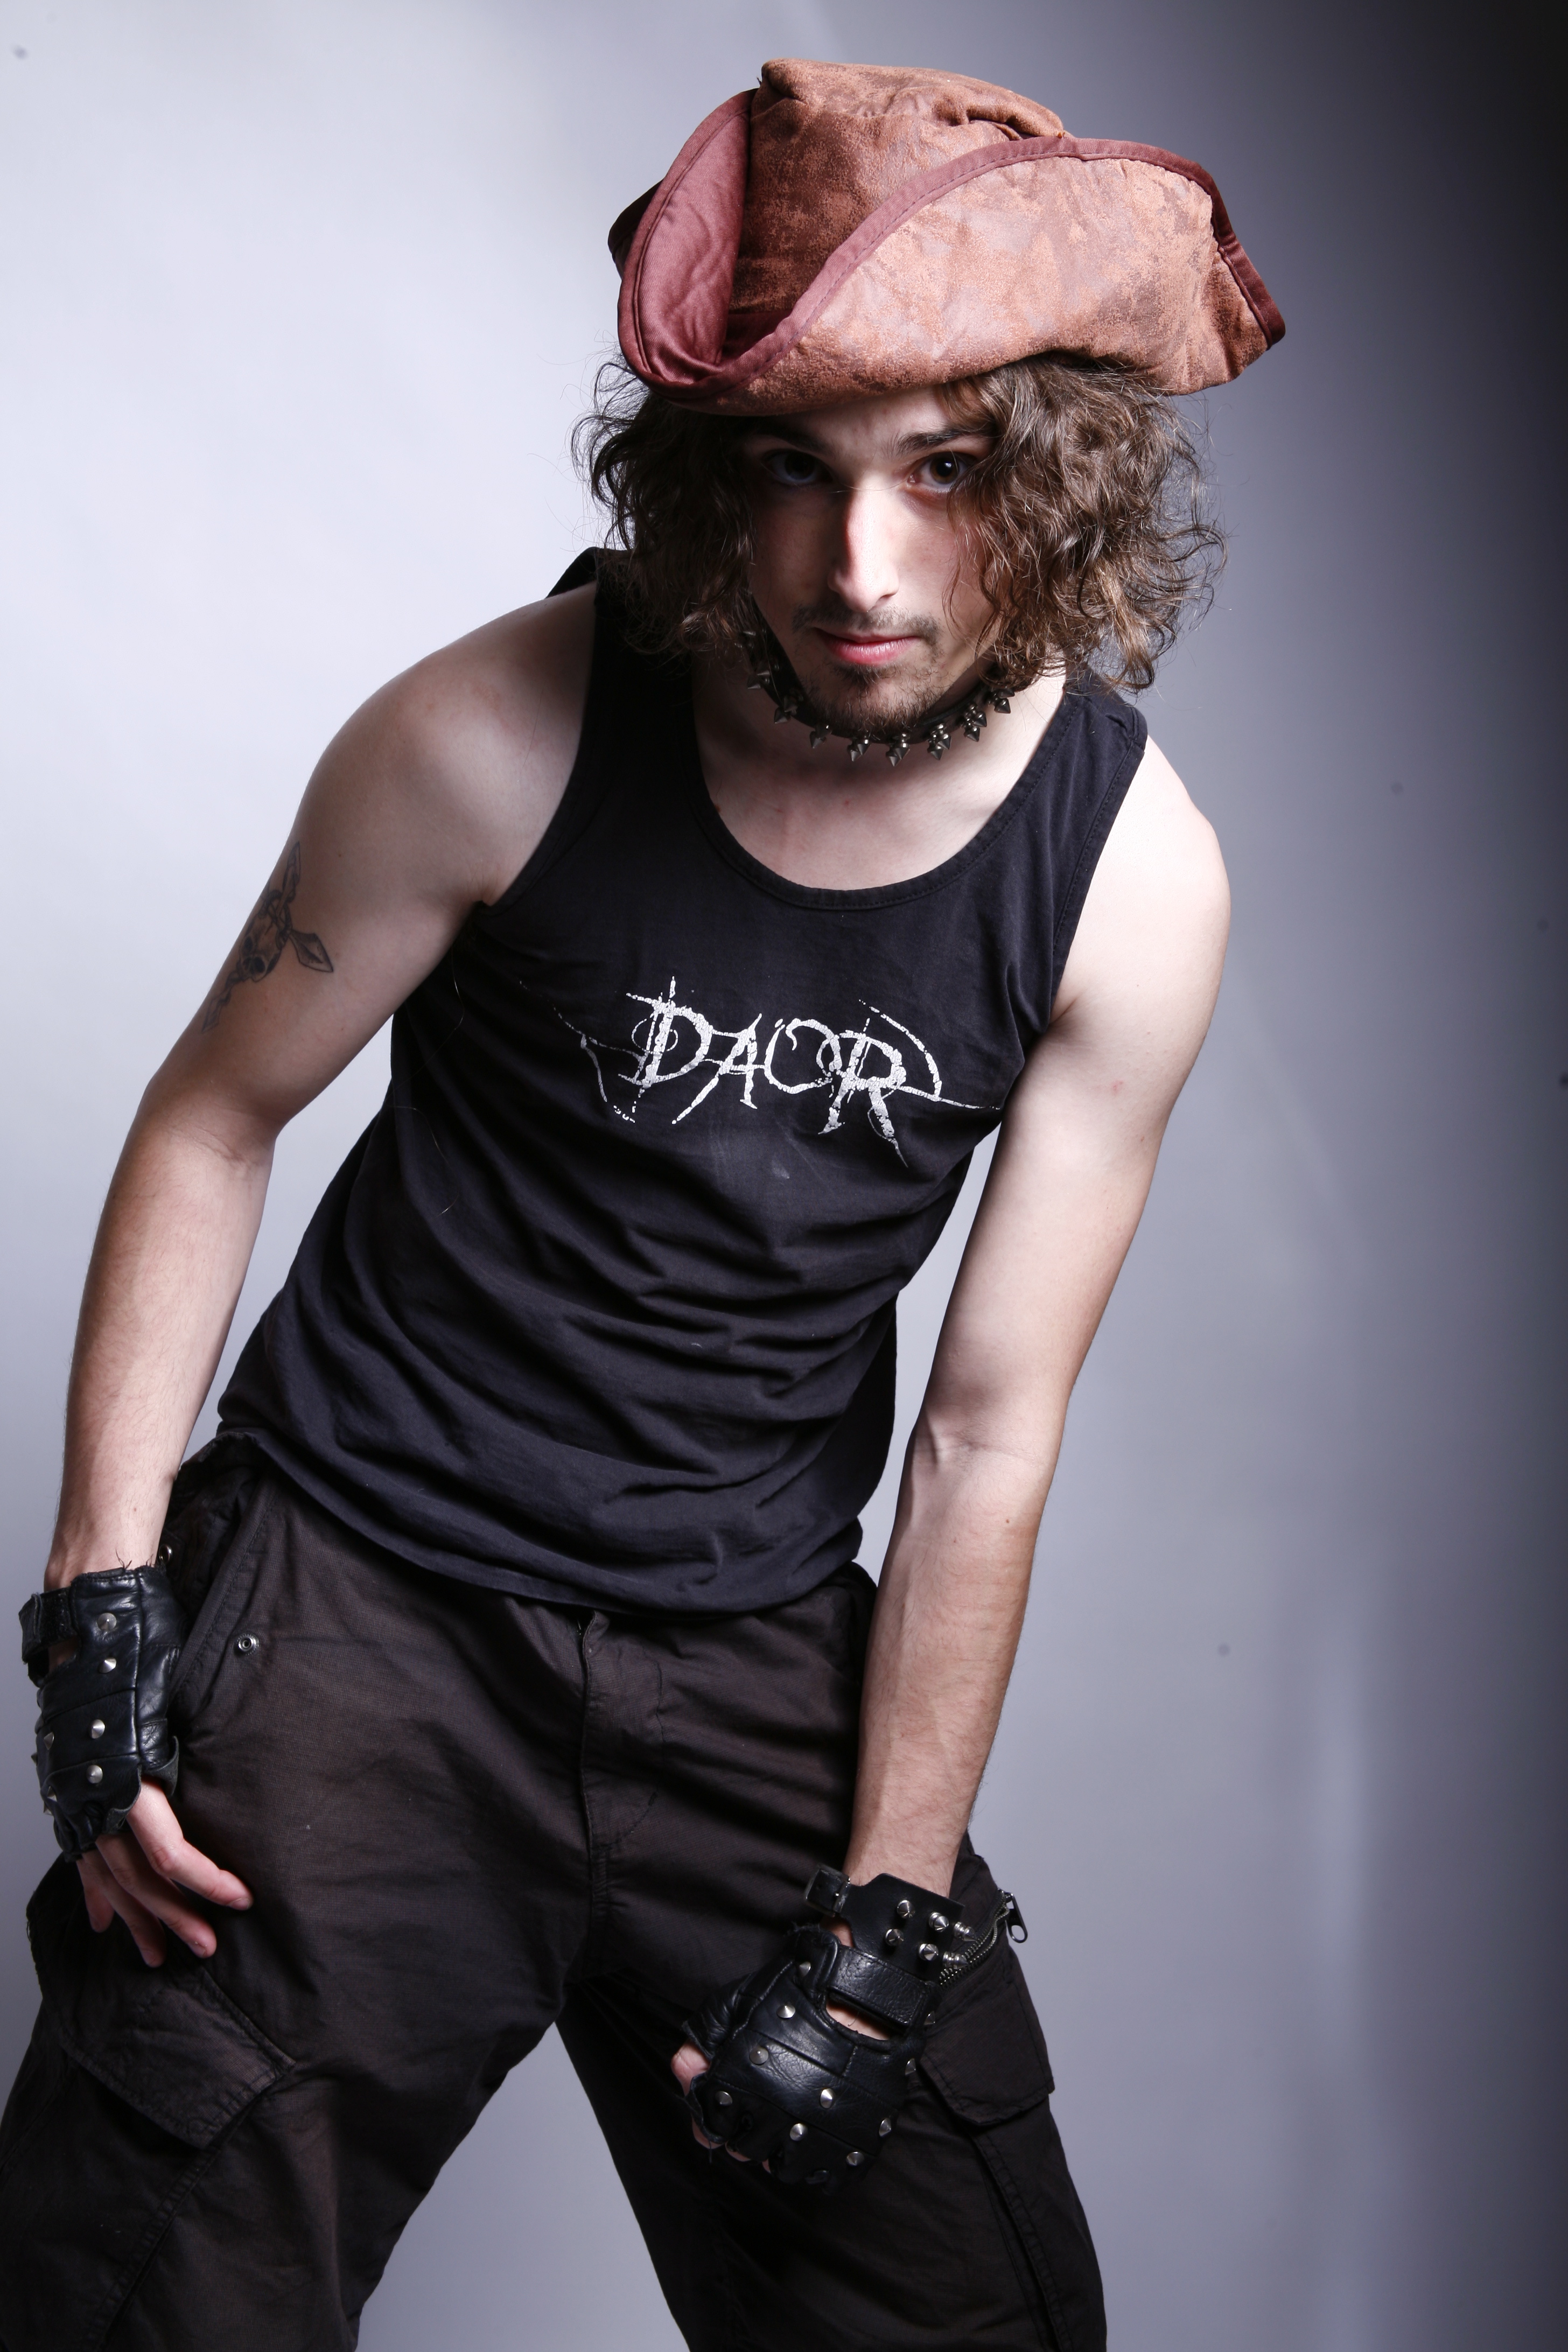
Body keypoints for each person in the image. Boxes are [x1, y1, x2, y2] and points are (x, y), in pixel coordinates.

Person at [0, 58, 1281, 2352]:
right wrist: (100, 1604)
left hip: (754, 1646)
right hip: (364, 1612)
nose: (860, 567)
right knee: (146, 2292)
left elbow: (983, 1430)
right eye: (792, 470)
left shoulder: (1128, 879)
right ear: (706, 473)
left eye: (946, 471)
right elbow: (213, 1115)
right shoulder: (489, 733)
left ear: (1062, 476)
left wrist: (884, 1918)